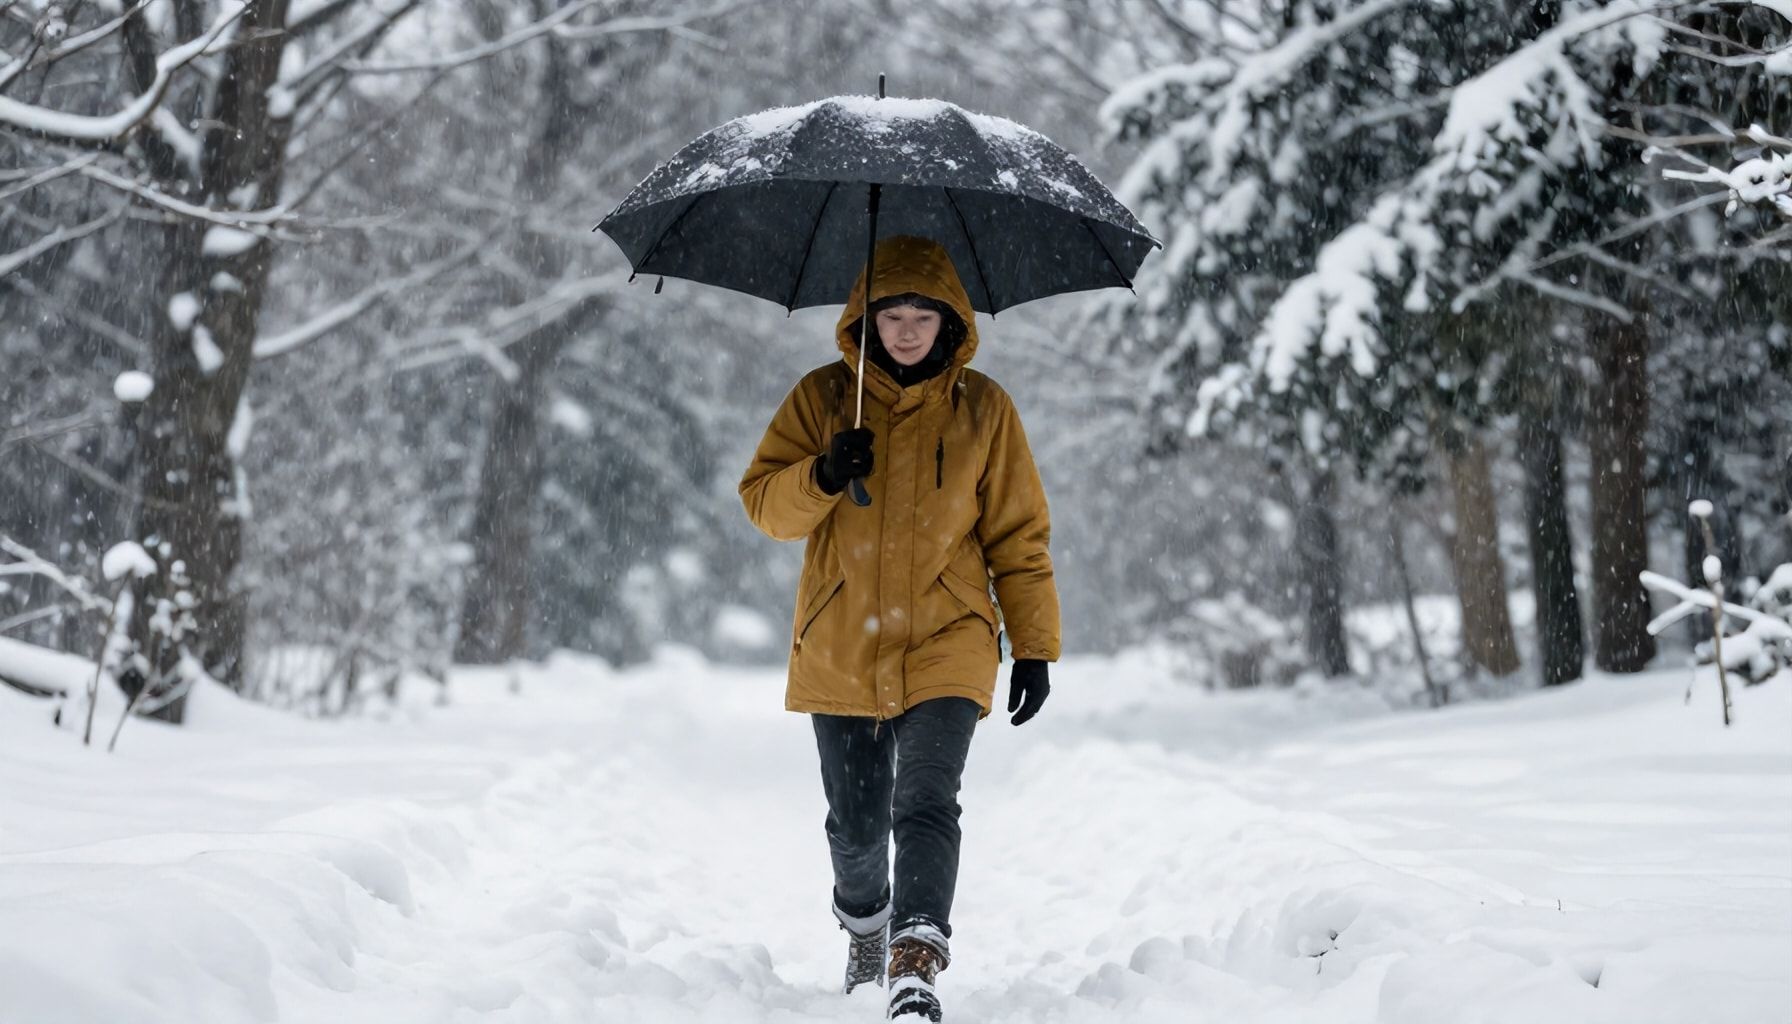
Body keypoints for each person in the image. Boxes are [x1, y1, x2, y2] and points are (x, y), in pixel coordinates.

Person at [739, 235, 1060, 1022]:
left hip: (949, 635)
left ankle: (916, 959)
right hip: (844, 637)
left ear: (951, 321)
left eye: (924, 314)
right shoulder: (821, 399)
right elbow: (763, 505)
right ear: (865, 319)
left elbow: (1018, 536)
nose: (908, 330)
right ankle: (867, 924)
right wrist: (821, 473)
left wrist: (1034, 647)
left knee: (925, 800)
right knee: (855, 824)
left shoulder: (985, 408)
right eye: (892, 314)